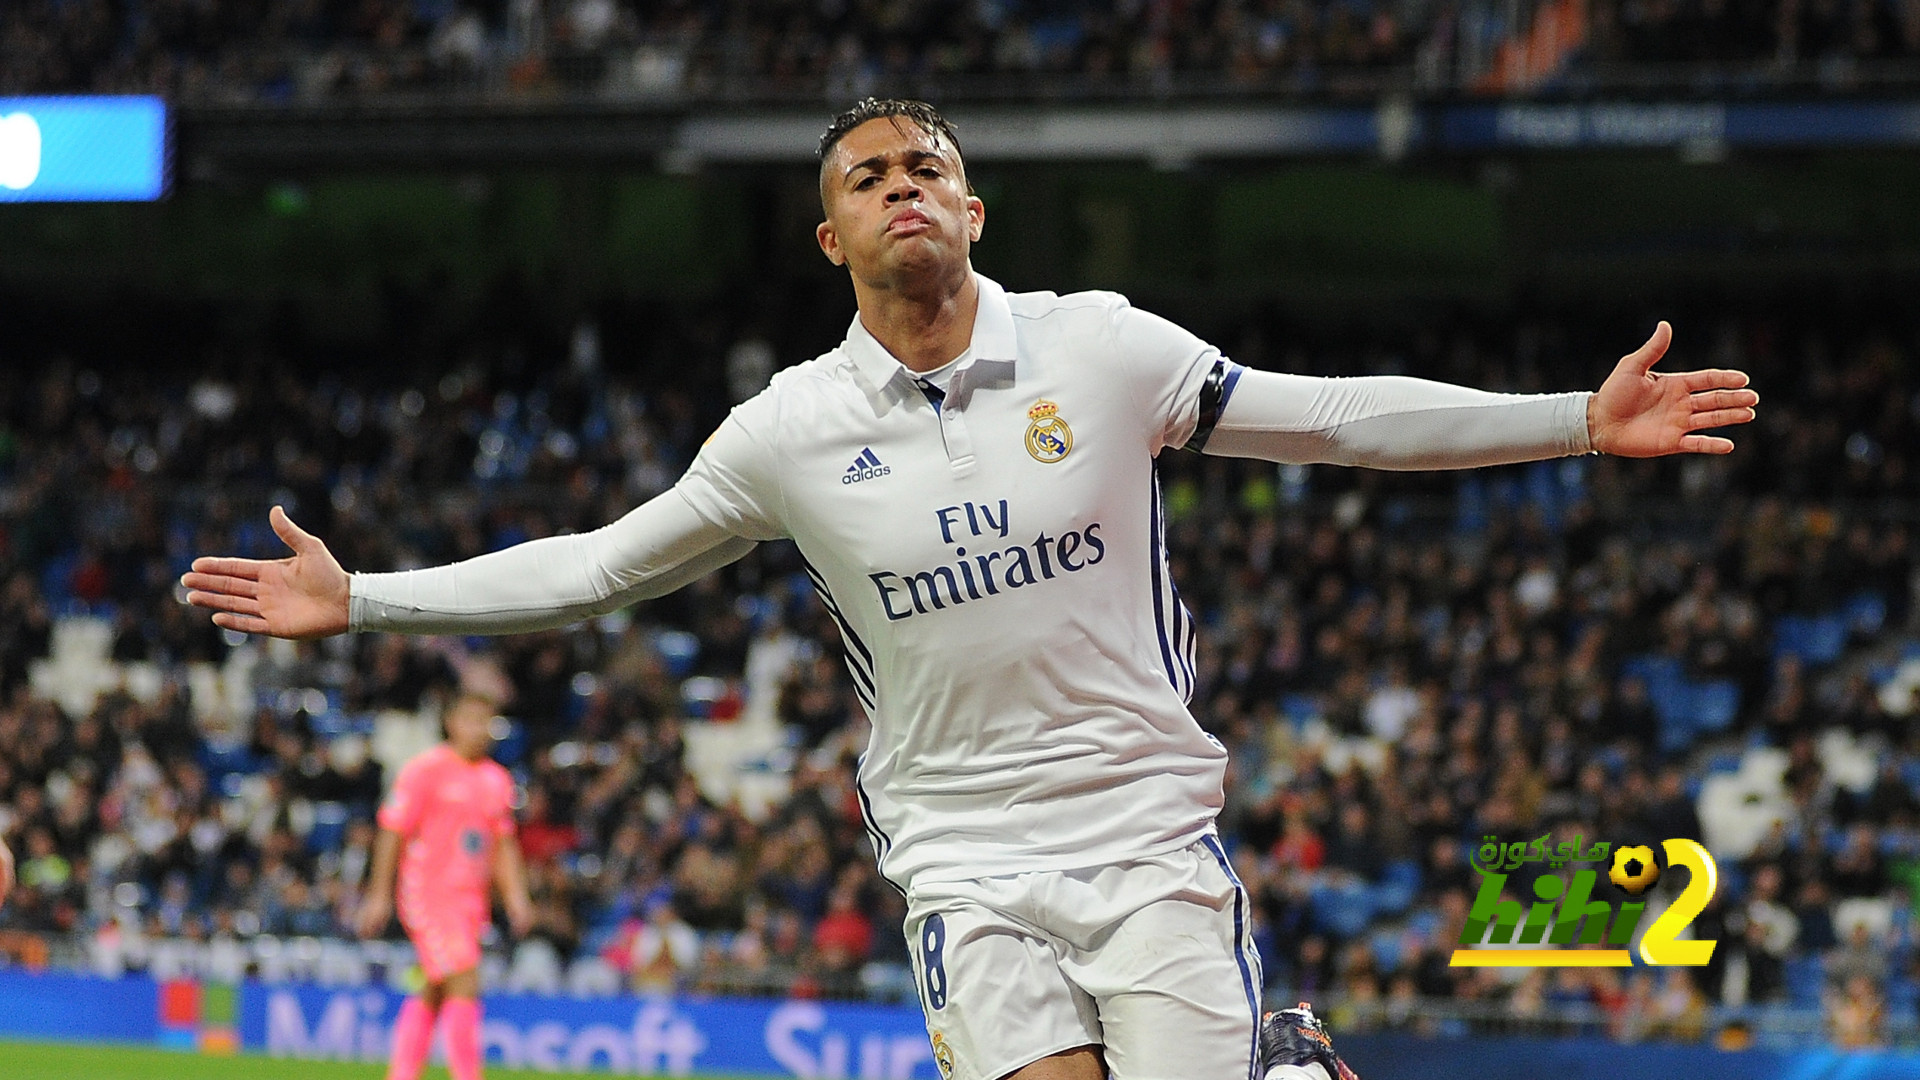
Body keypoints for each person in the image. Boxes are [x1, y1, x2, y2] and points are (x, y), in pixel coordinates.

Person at [184, 98, 1756, 1080]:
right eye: (870, 175)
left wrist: (1576, 419)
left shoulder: (1101, 347)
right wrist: (366, 598)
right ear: (830, 235)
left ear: (974, 207)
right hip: (964, 859)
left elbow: (1336, 418)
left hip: (1143, 834)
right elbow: (600, 566)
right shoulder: (787, 432)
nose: (904, 186)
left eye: (928, 165)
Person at [356, 688, 534, 1080]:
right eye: (471, 720)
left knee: (437, 988)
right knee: (464, 977)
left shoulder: (496, 780)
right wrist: (379, 894)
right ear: (451, 723)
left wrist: (516, 897)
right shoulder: (425, 770)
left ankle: (402, 1073)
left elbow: (502, 845)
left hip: (470, 900)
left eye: (486, 721)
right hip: (429, 893)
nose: (479, 729)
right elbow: (392, 831)